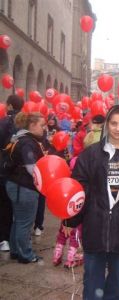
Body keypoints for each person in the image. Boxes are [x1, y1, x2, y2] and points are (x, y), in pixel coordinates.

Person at [64, 105, 119, 299]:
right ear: (107, 125)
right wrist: (70, 220)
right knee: (92, 288)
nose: (118, 128)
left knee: (117, 287)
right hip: (95, 227)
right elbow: (79, 190)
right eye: (113, 123)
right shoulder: (91, 154)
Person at [6, 112, 46, 263]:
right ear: (32, 125)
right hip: (24, 187)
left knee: (18, 220)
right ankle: (25, 254)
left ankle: (16, 251)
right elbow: (31, 168)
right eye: (42, 125)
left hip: (15, 185)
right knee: (25, 222)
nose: (44, 128)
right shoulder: (28, 142)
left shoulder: (19, 138)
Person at [0, 94, 24, 252]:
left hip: (4, 169)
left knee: (4, 204)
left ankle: (4, 239)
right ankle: (19, 239)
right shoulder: (26, 123)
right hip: (22, 171)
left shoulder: (3, 122)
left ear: (9, 106)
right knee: (21, 207)